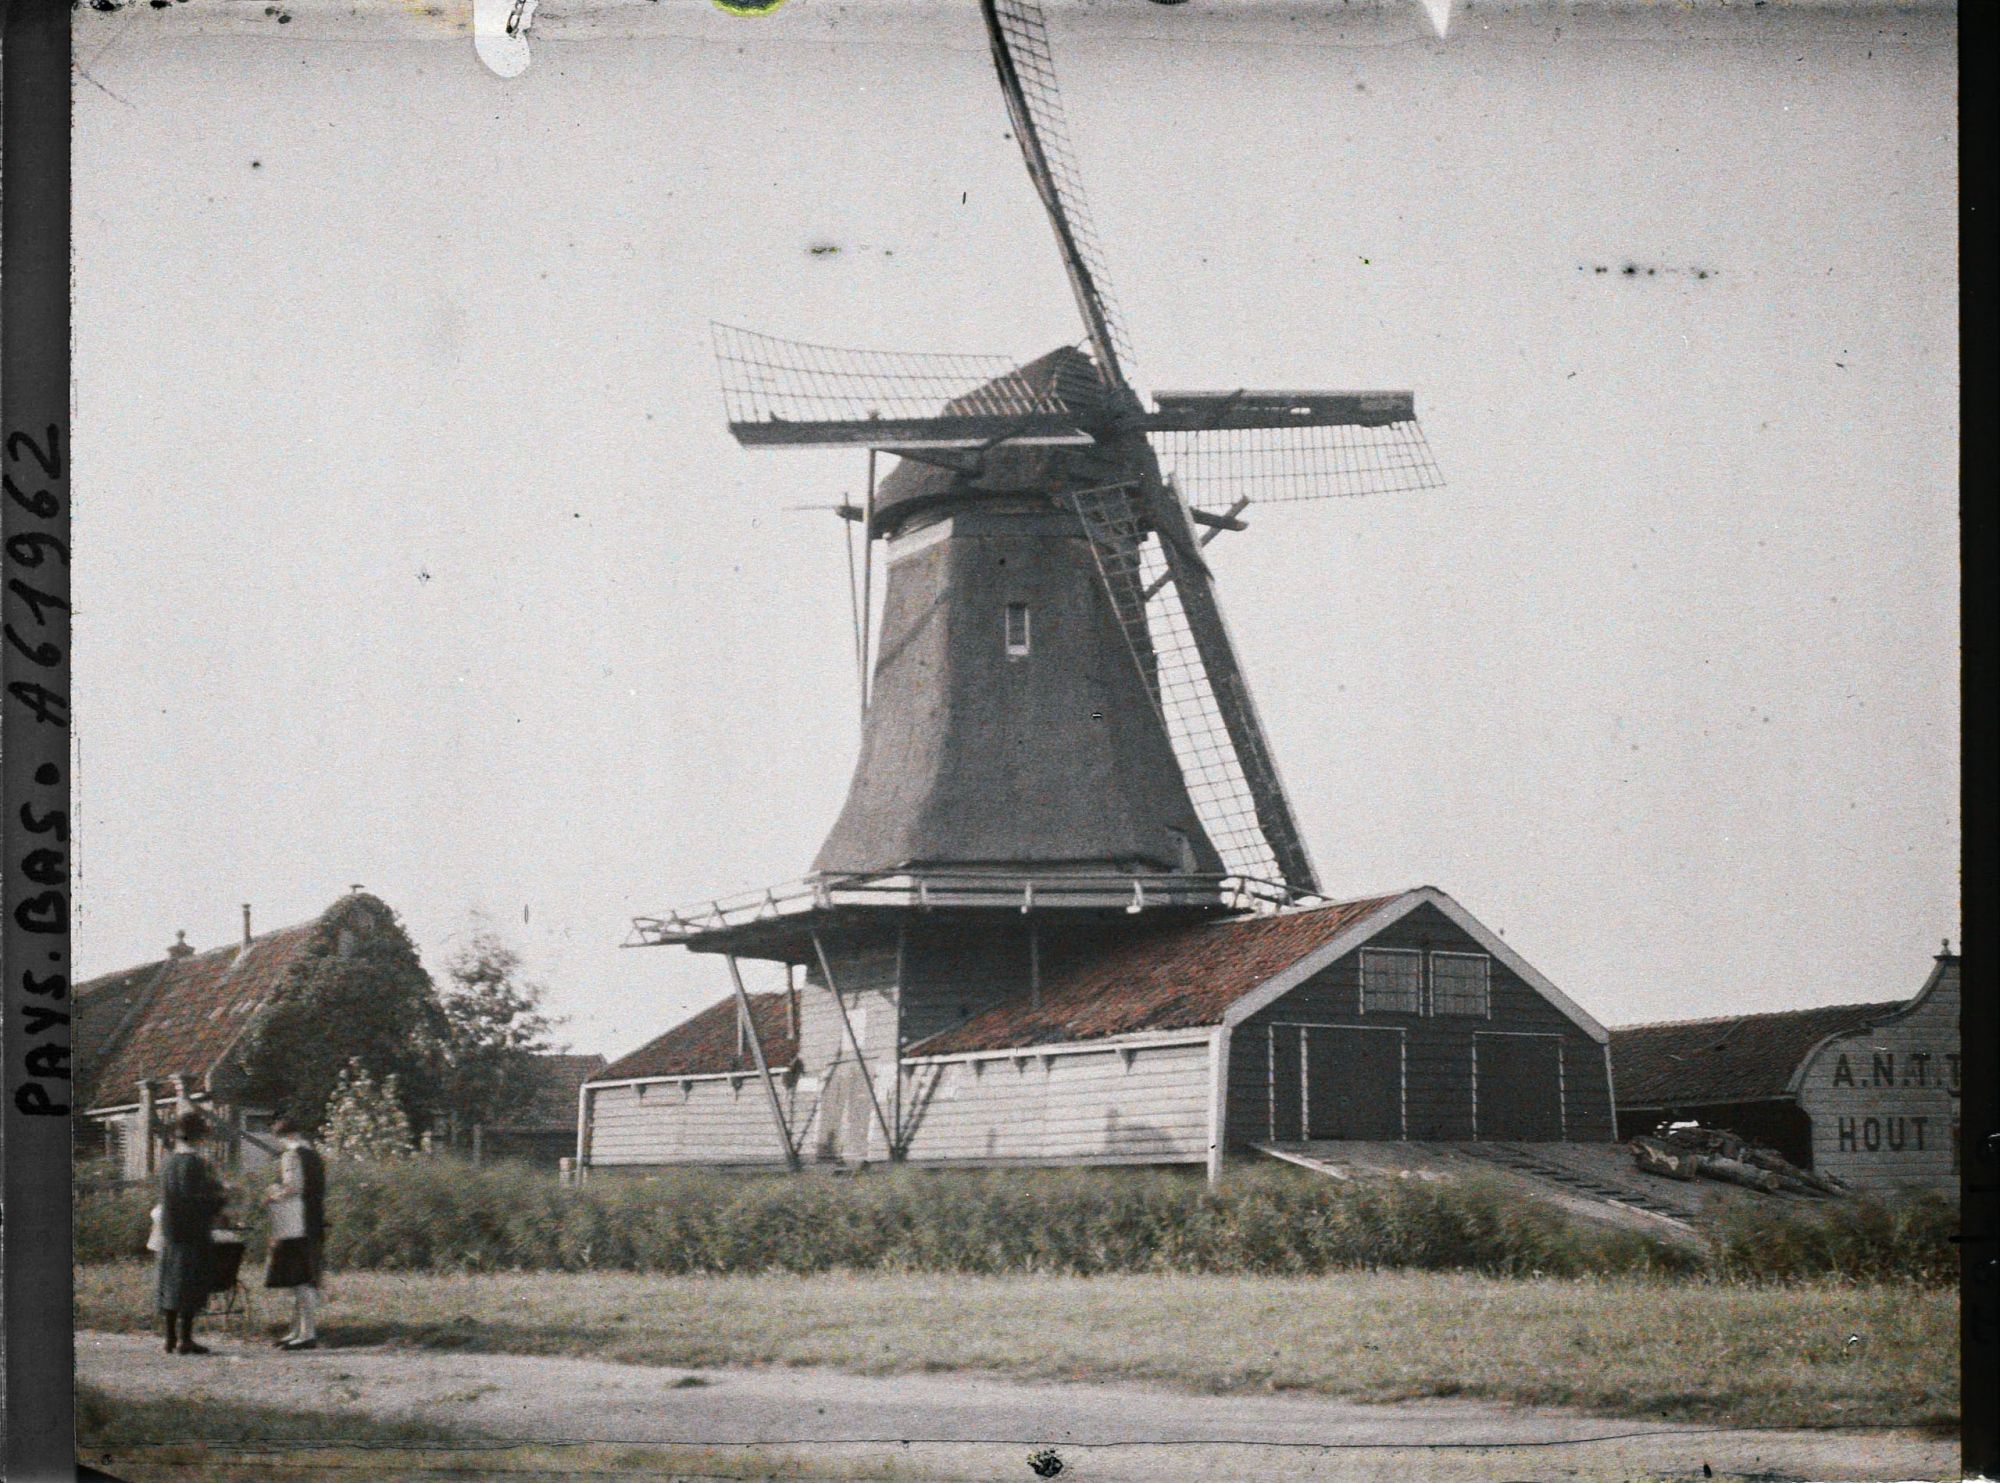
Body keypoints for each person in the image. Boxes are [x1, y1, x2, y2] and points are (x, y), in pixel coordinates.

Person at [155, 1109, 227, 1355]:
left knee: (170, 1281)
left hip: (170, 1229)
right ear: (198, 1138)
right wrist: (220, 1200)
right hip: (192, 1230)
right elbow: (196, 1197)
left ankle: (169, 1337)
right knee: (189, 1283)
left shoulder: (168, 1161)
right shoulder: (194, 1162)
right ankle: (186, 1339)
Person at [263, 1114, 327, 1350]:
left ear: (284, 1136)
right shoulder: (313, 1155)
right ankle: (299, 1330)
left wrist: (273, 1193)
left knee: (300, 1278)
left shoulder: (291, 1155)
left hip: (294, 1220)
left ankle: (306, 1333)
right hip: (312, 1218)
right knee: (304, 1277)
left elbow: (293, 1187)